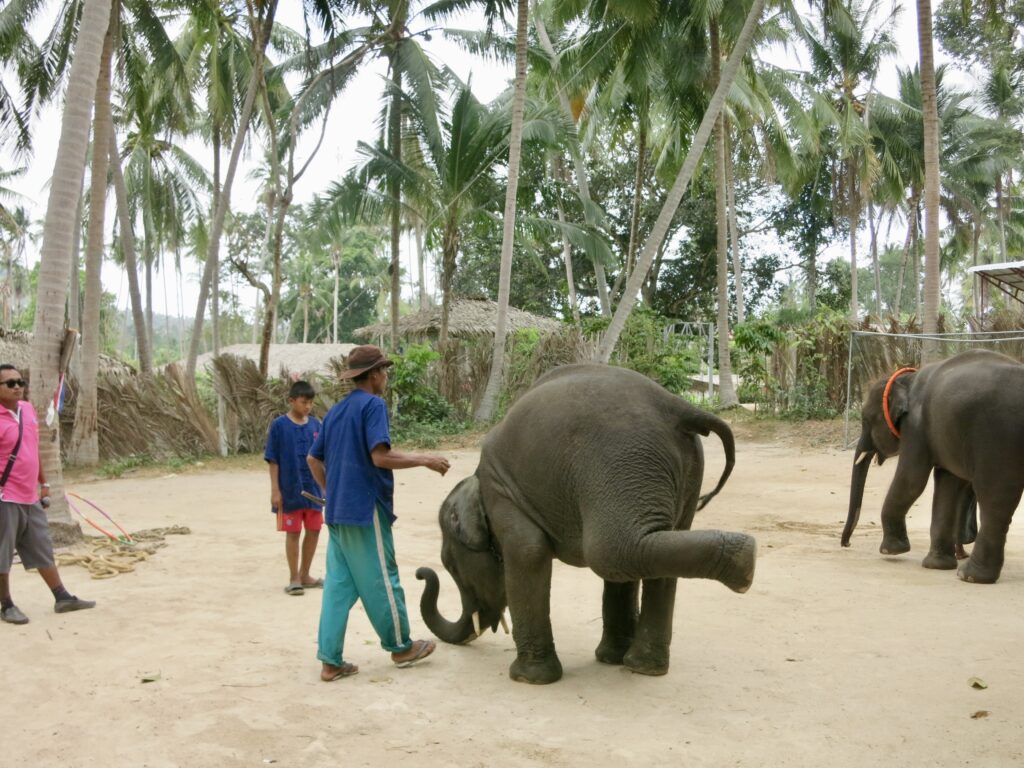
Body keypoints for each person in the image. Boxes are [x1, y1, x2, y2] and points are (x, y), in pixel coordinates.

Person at [307, 345, 450, 682]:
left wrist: (330, 491)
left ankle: (330, 660)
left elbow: (314, 459)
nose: (385, 377)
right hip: (363, 508)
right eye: (383, 371)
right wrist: (426, 460)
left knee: (339, 587)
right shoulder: (373, 405)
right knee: (383, 579)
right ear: (373, 375)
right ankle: (401, 647)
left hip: (338, 511)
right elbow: (379, 458)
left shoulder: (336, 411)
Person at [0, 364, 95, 625]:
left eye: (20, 382)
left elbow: (31, 449)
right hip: (5, 497)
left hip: (30, 496)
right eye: (9, 383)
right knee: (2, 554)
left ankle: (62, 596)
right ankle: (6, 604)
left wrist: (44, 483)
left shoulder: (28, 411)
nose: (17, 386)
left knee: (42, 546)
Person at [265, 380, 325, 596]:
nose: (307, 407)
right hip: (289, 491)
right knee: (293, 533)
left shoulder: (317, 425)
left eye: (310, 403)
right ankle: (294, 578)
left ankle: (306, 573)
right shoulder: (279, 426)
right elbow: (273, 460)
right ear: (292, 401)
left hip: (315, 492)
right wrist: (275, 490)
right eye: (303, 402)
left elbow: (323, 458)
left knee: (315, 530)